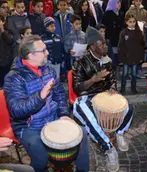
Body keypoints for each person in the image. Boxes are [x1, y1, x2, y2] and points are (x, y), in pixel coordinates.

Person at [3, 35, 89, 172]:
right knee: (41, 155)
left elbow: (60, 93)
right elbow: (16, 110)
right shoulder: (14, 78)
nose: (47, 53)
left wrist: (63, 114)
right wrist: (40, 97)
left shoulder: (47, 68)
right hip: (28, 126)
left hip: (52, 118)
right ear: (31, 55)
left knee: (81, 133)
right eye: (43, 50)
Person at [72, 26, 134, 172]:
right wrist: (93, 79)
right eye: (102, 44)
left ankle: (119, 133)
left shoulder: (108, 61)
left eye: (105, 43)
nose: (106, 46)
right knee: (89, 117)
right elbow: (77, 88)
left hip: (105, 94)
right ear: (93, 46)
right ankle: (108, 149)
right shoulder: (81, 62)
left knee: (129, 108)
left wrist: (113, 88)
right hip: (87, 96)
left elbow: (112, 79)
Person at [118, 13, 145, 94]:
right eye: (130, 22)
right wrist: (121, 57)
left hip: (135, 57)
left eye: (134, 22)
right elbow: (120, 46)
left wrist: (141, 57)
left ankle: (133, 88)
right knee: (124, 74)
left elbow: (141, 45)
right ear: (126, 22)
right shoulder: (123, 33)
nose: (132, 23)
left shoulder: (138, 32)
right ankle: (123, 88)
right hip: (126, 57)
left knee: (134, 74)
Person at [102, 0, 124, 68]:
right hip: (111, 40)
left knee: (117, 58)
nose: (119, 4)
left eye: (120, 2)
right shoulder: (107, 14)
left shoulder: (120, 13)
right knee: (113, 58)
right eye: (117, 2)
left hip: (119, 40)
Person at [0, 14, 14, 88]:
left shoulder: (8, 31)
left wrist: (2, 30)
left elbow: (10, 41)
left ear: (3, 22)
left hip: (6, 63)